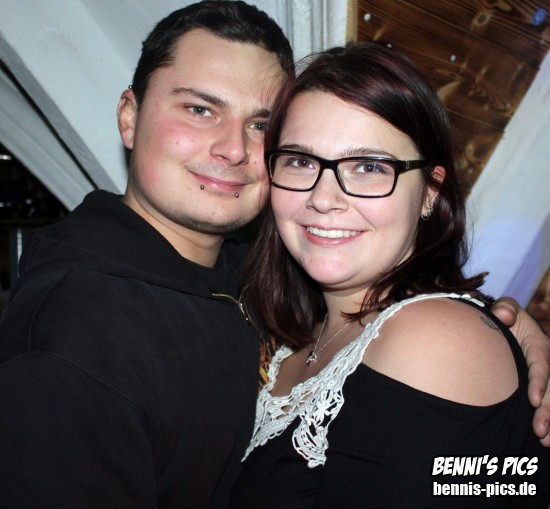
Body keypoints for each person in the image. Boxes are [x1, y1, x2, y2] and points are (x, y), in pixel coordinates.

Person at [0, 2, 547, 508]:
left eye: (261, 125)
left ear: (429, 191)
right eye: (199, 109)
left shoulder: (257, 288)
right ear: (129, 115)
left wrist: (501, 327)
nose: (234, 149)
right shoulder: (71, 337)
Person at [230, 42, 550, 507]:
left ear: (430, 192)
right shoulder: (290, 338)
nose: (323, 198)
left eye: (368, 167)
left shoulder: (431, 341)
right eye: (301, 161)